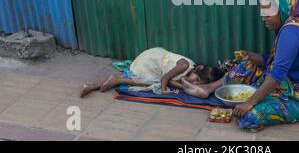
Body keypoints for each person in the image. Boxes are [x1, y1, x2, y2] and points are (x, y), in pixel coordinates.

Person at [183, 0, 299, 131]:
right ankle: (208, 89)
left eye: (268, 14)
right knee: (245, 65)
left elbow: (277, 75)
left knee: (249, 117)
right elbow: (278, 61)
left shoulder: (291, 31)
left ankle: (250, 99)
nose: (263, 19)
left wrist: (250, 103)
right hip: (290, 82)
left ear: (283, 8)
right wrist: (250, 55)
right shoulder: (294, 25)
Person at [80, 47, 223, 98]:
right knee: (153, 83)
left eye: (197, 83)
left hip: (151, 59)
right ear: (198, 68)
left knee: (136, 77)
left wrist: (186, 86)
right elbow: (165, 78)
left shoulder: (186, 76)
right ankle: (118, 80)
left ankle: (91, 85)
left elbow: (174, 81)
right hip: (151, 61)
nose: (193, 82)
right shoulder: (185, 65)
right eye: (196, 79)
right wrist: (164, 89)